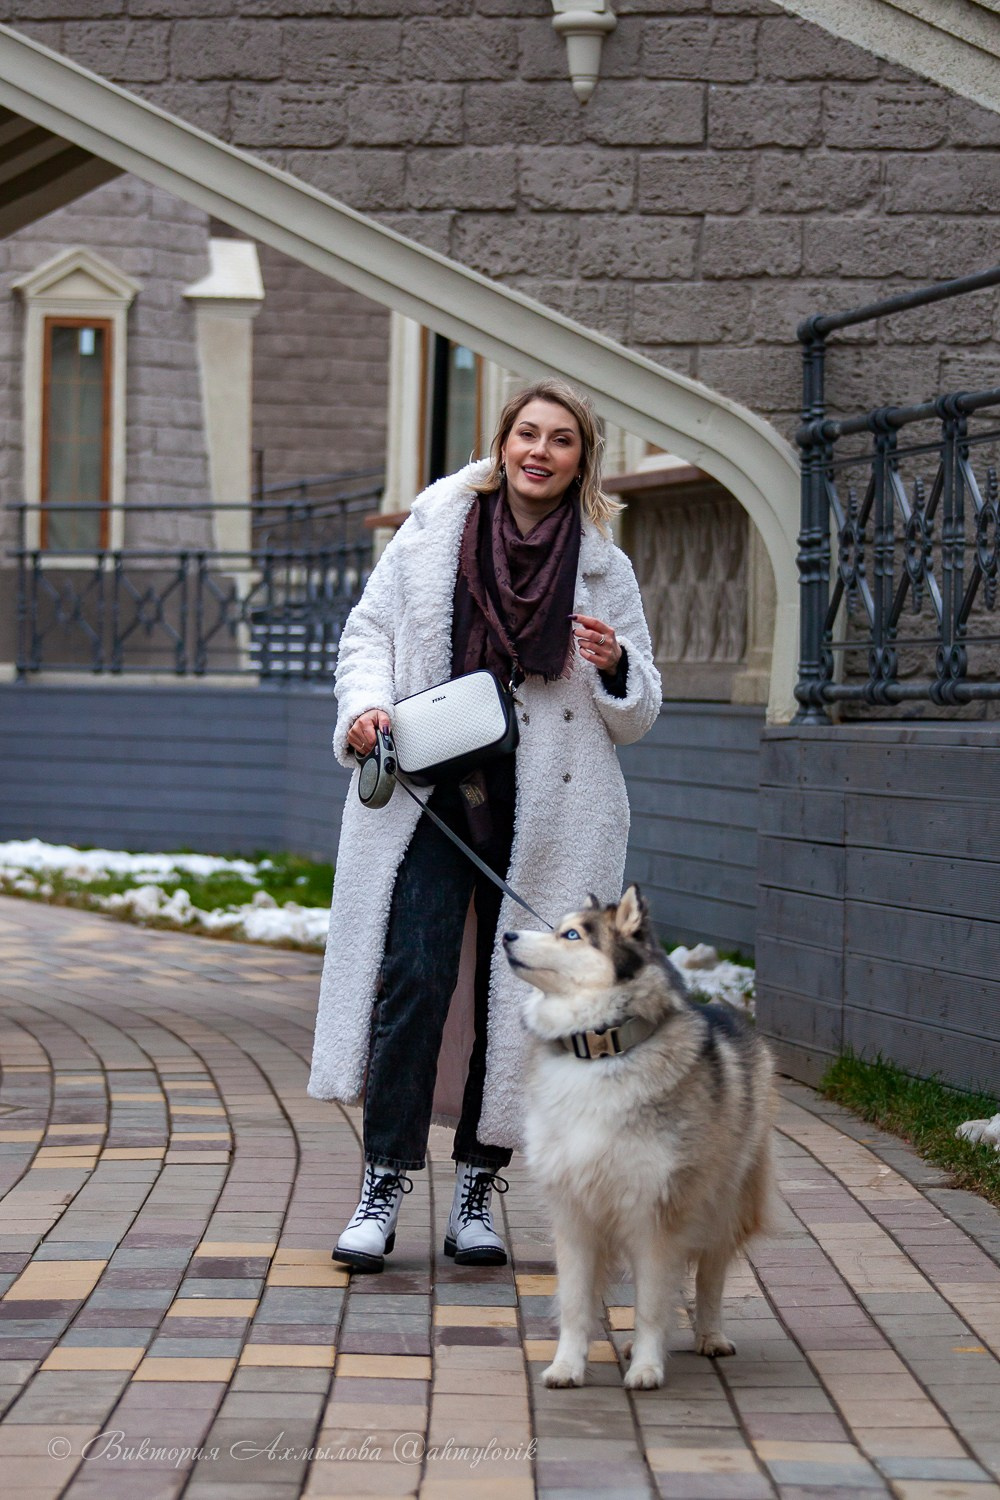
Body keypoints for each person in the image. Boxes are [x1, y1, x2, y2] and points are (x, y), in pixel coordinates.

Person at [308, 378, 662, 1273]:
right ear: (503, 443)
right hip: (433, 792)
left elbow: (638, 711)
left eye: (561, 440)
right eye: (527, 434)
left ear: (582, 461)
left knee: (518, 1001)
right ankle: (383, 1183)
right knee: (414, 976)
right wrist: (366, 709)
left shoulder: (605, 569)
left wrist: (616, 662)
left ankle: (477, 1185)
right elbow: (367, 634)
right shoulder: (434, 530)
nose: (540, 452)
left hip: (552, 810)